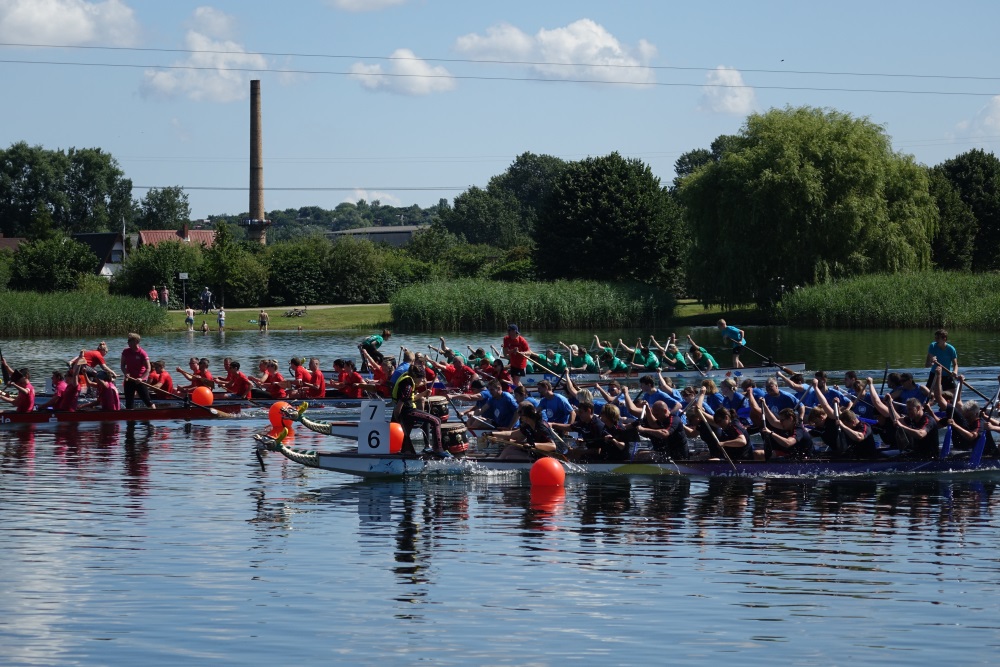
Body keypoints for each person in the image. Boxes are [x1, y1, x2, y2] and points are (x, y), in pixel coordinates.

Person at [392, 365, 447, 457]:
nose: (421, 382)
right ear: (416, 377)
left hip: (405, 412)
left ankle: (413, 452)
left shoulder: (407, 378)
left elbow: (409, 399)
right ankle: (438, 449)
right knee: (437, 420)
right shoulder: (408, 384)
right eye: (421, 380)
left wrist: (423, 394)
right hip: (407, 412)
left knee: (407, 447)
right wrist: (397, 420)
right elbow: (400, 405)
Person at [119, 333, 155, 409]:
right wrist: (126, 373)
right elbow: (122, 366)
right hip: (129, 380)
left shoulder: (142, 353)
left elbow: (148, 368)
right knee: (129, 403)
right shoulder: (126, 351)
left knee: (147, 401)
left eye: (129, 341)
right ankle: (130, 419)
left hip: (140, 381)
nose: (127, 342)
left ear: (136, 341)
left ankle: (155, 415)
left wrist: (141, 378)